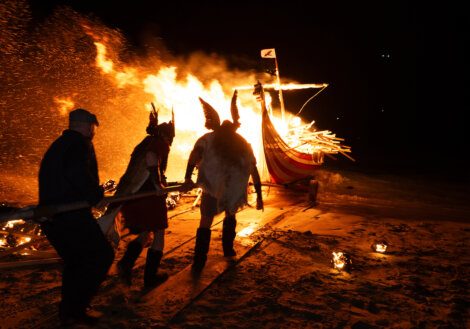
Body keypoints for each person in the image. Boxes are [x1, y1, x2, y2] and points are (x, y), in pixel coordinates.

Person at [38, 108, 114, 326]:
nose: (94, 132)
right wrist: (94, 194)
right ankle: (77, 309)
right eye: (93, 128)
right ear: (87, 127)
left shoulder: (58, 145)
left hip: (53, 217)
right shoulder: (80, 144)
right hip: (71, 216)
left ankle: (68, 310)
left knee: (76, 262)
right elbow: (75, 173)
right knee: (101, 256)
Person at [184, 92, 263, 272]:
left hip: (212, 189)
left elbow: (194, 155)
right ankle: (228, 250)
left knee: (205, 221)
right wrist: (258, 196)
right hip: (232, 190)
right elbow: (253, 170)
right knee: (230, 215)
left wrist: (187, 177)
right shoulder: (243, 142)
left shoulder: (207, 138)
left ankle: (199, 261)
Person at [115, 108, 175, 288]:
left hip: (134, 195)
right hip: (148, 195)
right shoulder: (159, 143)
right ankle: (150, 278)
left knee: (145, 232)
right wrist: (157, 184)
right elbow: (151, 159)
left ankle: (125, 264)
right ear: (167, 135)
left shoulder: (145, 141)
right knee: (158, 233)